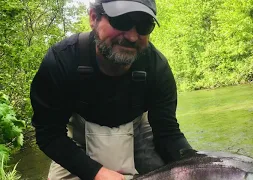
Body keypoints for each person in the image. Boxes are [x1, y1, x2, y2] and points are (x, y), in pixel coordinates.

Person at [30, 0, 193, 179]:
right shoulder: (61, 61)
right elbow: (49, 134)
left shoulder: (156, 68)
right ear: (93, 18)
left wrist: (197, 164)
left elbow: (167, 132)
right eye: (121, 21)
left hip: (138, 127)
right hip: (79, 136)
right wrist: (96, 173)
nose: (132, 36)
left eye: (144, 26)